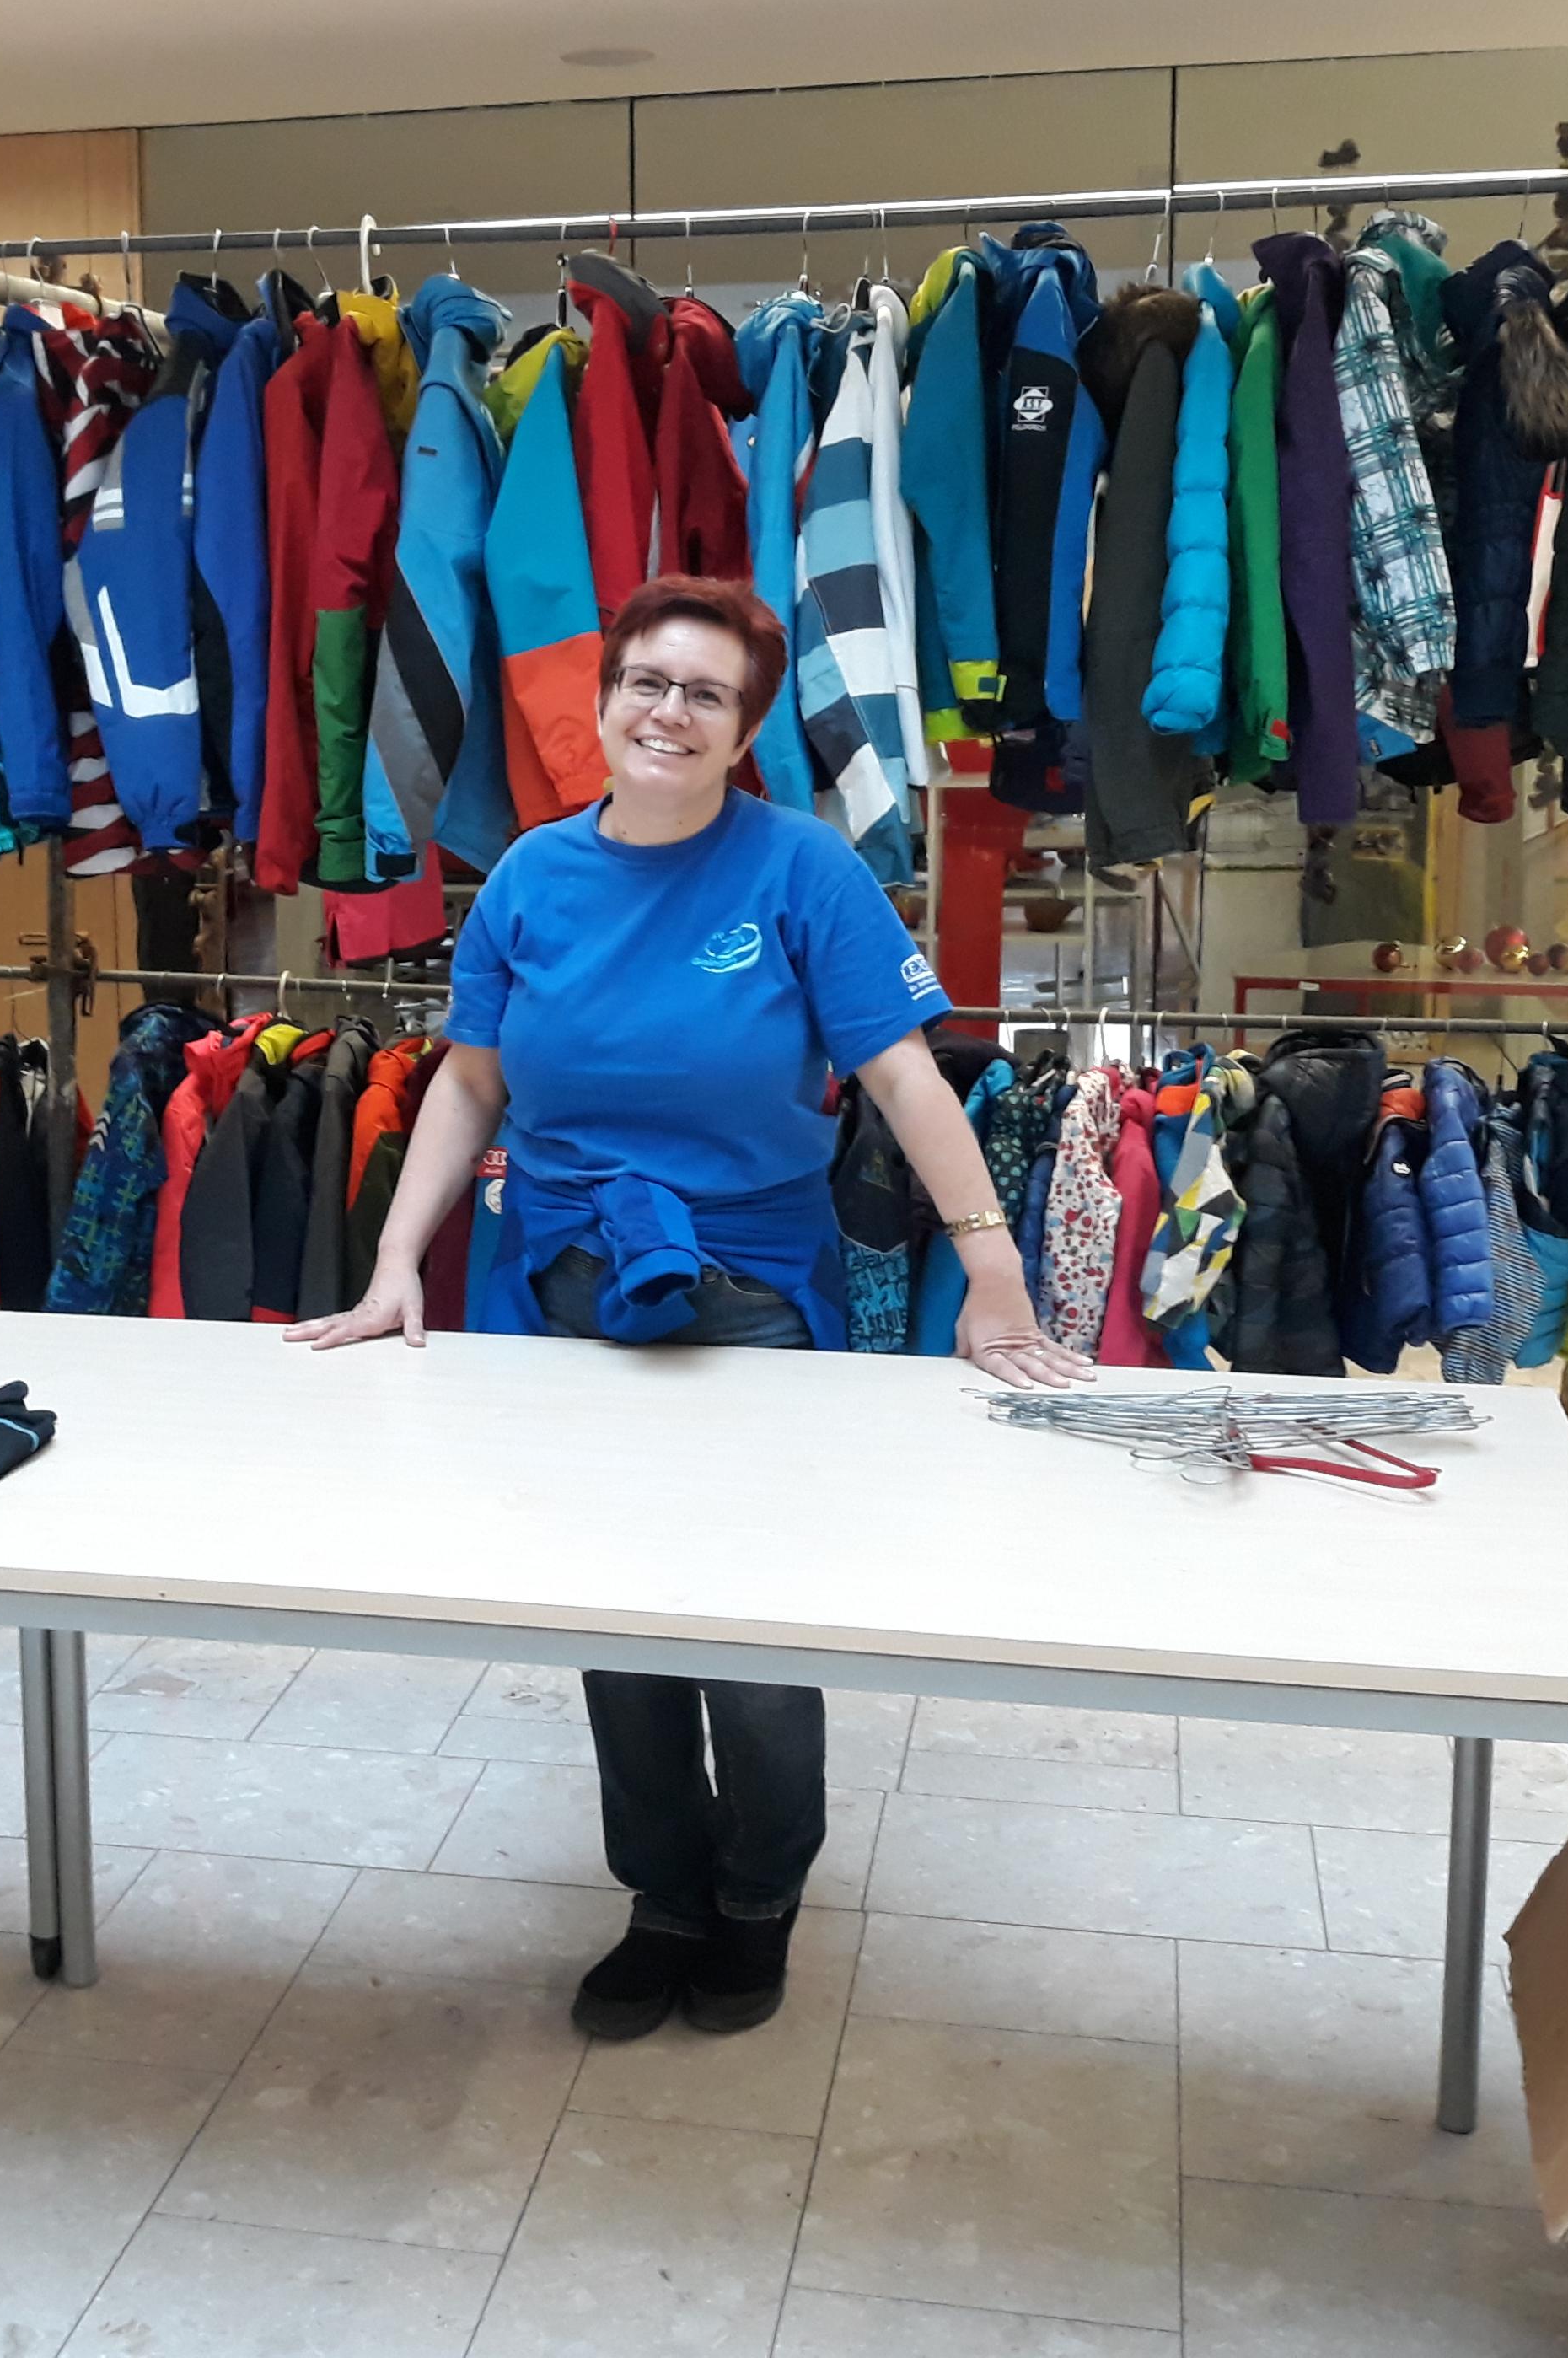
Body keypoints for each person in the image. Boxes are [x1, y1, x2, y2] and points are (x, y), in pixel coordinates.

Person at [289, 574, 1090, 2044]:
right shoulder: (528, 877)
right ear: (603, 700)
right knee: (618, 1615)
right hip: (566, 1290)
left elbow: (906, 1077)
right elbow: (471, 1081)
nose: (669, 711)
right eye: (647, 681)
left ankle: (760, 1893)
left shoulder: (803, 870)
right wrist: (397, 1259)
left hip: (751, 1301)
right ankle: (662, 1893)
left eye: (706, 694)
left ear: (744, 730)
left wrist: (993, 1271)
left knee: (753, 1629)